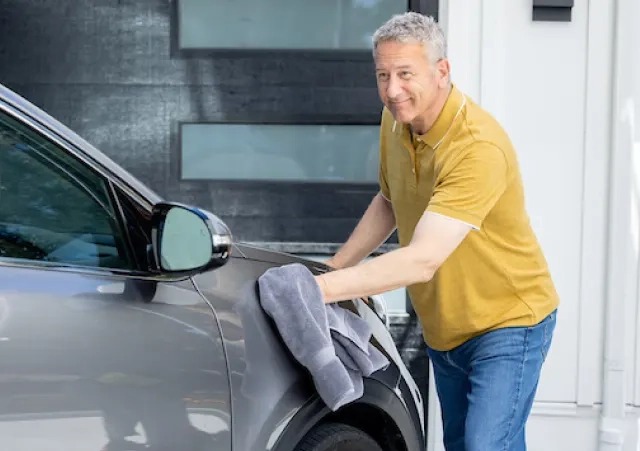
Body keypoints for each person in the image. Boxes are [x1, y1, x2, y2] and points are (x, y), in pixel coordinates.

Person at [313, 11, 559, 451]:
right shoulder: (396, 121)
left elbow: (423, 259)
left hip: (508, 323)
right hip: (446, 330)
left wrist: (318, 290)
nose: (392, 90)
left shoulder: (476, 147)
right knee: (469, 445)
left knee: (485, 446)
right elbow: (389, 202)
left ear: (442, 71)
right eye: (383, 74)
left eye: (406, 74)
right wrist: (334, 265)